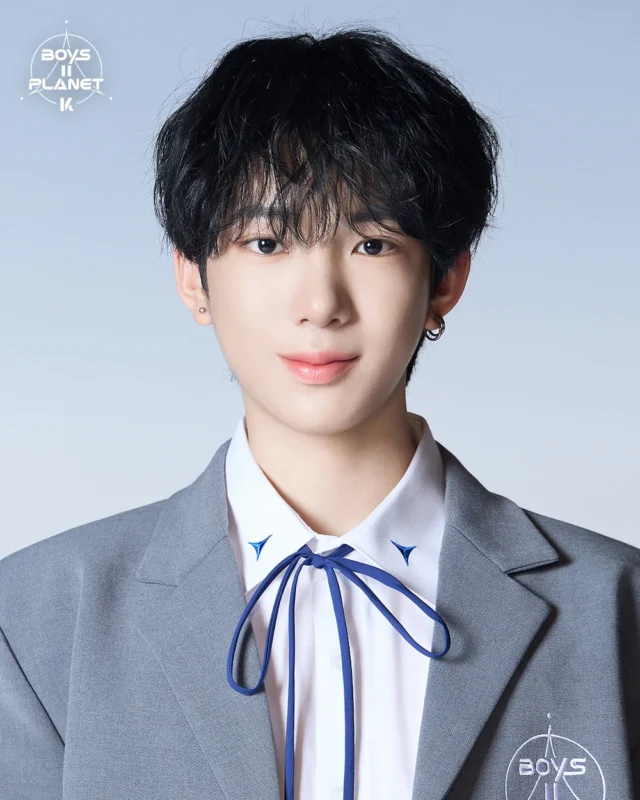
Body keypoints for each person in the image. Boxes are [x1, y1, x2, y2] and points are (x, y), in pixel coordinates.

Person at [1, 23, 639, 800]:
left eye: (372, 244)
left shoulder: (616, 606)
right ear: (194, 278)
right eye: (268, 243)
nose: (321, 304)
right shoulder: (33, 620)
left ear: (444, 280)